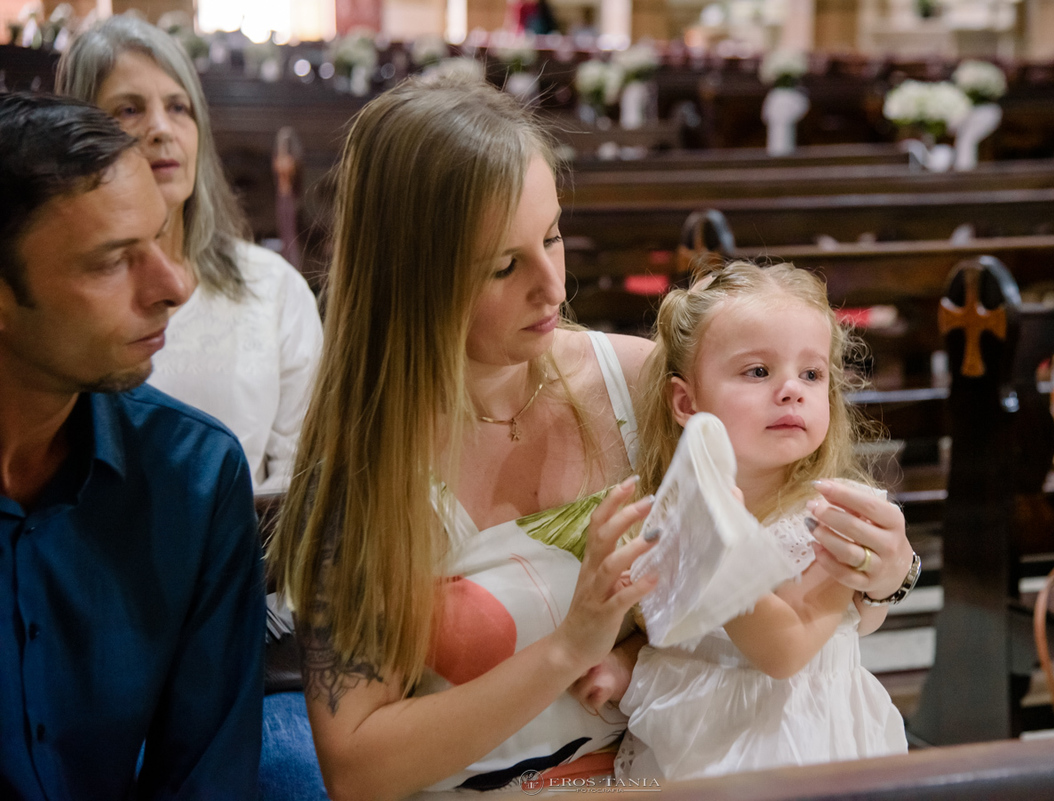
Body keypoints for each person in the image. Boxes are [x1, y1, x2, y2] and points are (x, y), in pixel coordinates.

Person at [268, 76, 917, 799]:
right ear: (416, 279)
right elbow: (358, 769)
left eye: (552, 236)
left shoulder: (641, 389)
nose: (552, 286)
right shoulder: (366, 474)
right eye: (505, 265)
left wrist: (886, 573)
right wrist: (570, 646)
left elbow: (791, 570)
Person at [0, 92, 263, 800]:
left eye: (164, 235)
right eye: (114, 261)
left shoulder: (194, 476)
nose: (174, 285)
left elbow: (207, 778)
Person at [609, 260, 913, 780]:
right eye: (758, 371)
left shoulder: (834, 515)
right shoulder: (670, 503)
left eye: (812, 374)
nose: (792, 389)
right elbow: (675, 628)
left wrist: (716, 546)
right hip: (689, 737)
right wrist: (621, 661)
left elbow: (785, 649)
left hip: (793, 745)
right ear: (686, 400)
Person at [57, 13, 323, 495]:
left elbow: (304, 473)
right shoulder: (61, 294)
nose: (162, 129)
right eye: (129, 110)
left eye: (178, 107)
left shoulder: (273, 286)